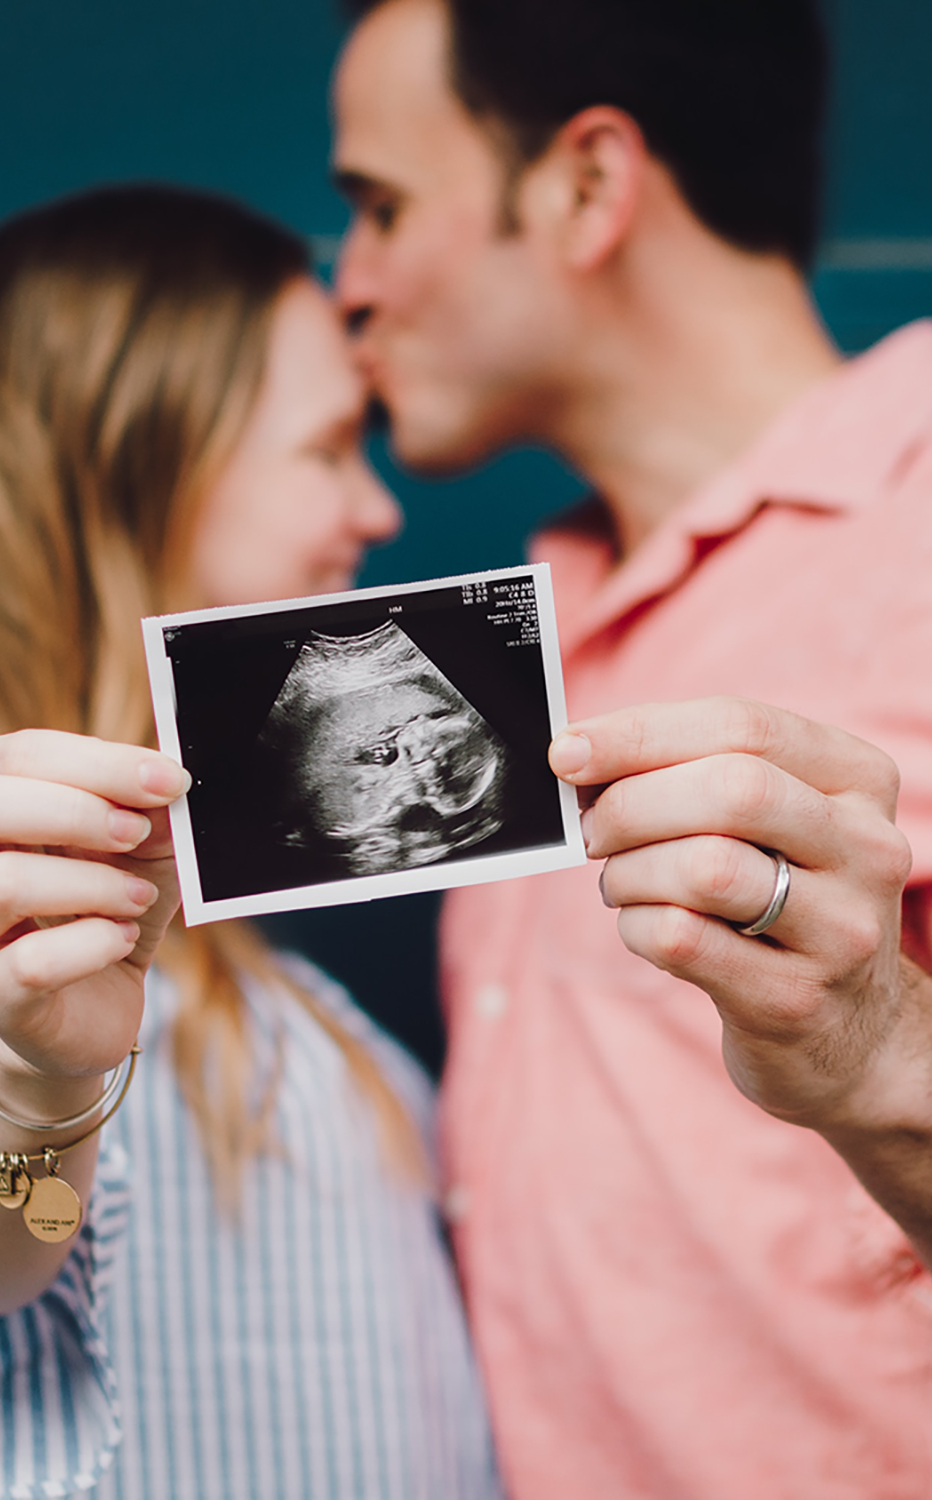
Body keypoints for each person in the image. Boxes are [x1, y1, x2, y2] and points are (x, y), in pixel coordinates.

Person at [0, 185, 504, 1499]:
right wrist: (27, 1071)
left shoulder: (211, 929)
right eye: (324, 448)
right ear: (135, 464)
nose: (375, 510)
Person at [331, 0, 932, 1495]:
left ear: (588, 186)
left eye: (381, 207)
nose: (348, 285)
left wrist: (874, 1052)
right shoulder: (517, 638)